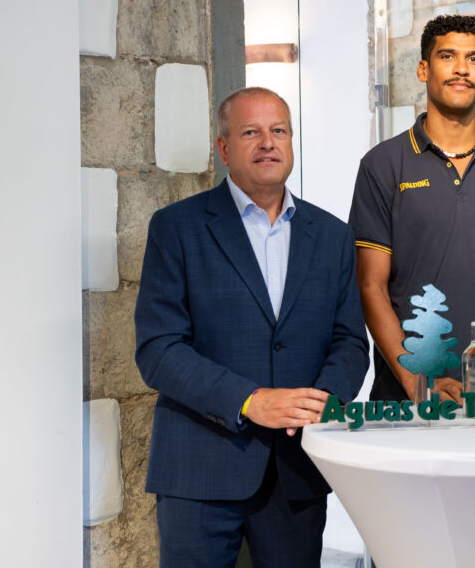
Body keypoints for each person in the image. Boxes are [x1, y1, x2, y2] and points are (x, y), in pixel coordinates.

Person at [135, 87, 369, 568]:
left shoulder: (331, 236)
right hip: (199, 470)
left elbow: (350, 341)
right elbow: (158, 348)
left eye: (278, 130)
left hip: (296, 469)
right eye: (250, 132)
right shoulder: (176, 228)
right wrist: (250, 401)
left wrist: (320, 403)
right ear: (223, 148)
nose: (268, 142)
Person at [350, 14, 475, 403]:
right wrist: (414, 380)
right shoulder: (382, 165)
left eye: (474, 59)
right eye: (448, 56)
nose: (463, 69)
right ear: (424, 68)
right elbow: (370, 285)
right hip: (409, 399)